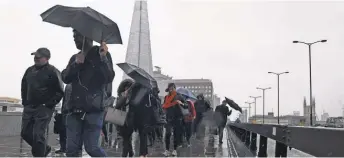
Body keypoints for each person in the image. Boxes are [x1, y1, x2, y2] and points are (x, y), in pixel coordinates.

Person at [62, 29, 115, 157]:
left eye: (78, 36)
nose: (75, 39)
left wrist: (102, 59)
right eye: (74, 36)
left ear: (88, 37)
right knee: (71, 150)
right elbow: (65, 78)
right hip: (74, 109)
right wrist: (76, 64)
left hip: (94, 110)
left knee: (92, 148)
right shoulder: (75, 57)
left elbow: (108, 77)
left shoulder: (103, 55)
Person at [21, 48, 64, 157]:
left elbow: (59, 91)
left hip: (43, 108)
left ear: (46, 58)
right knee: (25, 133)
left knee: (38, 135)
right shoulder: (29, 71)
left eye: (39, 57)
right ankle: (45, 148)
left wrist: (49, 104)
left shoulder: (53, 71)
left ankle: (39, 155)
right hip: (29, 106)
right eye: (35, 56)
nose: (36, 58)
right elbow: (24, 86)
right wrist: (25, 102)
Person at [162, 83, 185, 156]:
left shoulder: (179, 96)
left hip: (177, 118)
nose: (171, 90)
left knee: (176, 134)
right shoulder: (166, 97)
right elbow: (164, 106)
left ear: (175, 88)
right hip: (168, 117)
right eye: (169, 89)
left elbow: (186, 105)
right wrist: (163, 109)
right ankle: (167, 150)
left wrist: (181, 103)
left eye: (172, 88)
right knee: (167, 134)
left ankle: (175, 150)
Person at [115, 79, 134, 157]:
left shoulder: (133, 97)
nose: (127, 89)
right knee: (127, 139)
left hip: (130, 121)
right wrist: (124, 97)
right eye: (126, 87)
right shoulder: (121, 96)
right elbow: (117, 106)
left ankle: (124, 155)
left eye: (129, 88)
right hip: (121, 120)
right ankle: (131, 152)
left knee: (126, 140)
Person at [55, 84, 72, 154]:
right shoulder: (68, 86)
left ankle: (67, 149)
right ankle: (63, 148)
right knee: (63, 131)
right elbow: (65, 99)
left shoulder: (75, 84)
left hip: (71, 111)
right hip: (65, 111)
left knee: (69, 132)